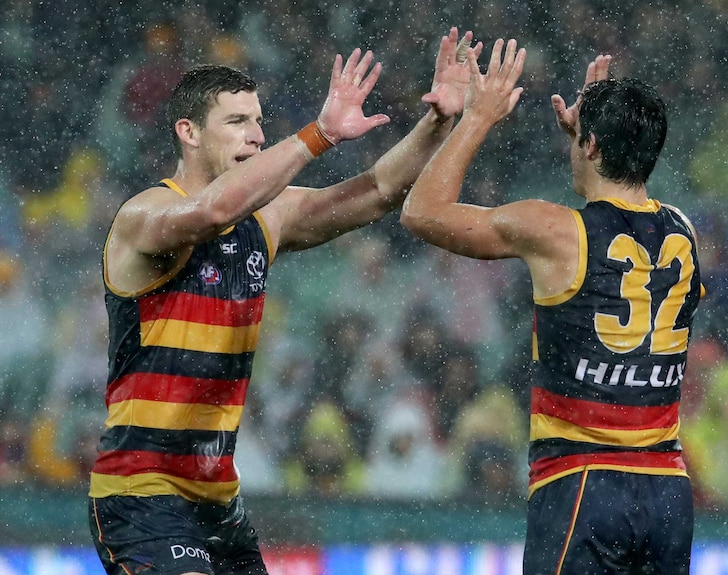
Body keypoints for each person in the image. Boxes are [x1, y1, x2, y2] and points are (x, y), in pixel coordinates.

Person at [87, 27, 480, 575]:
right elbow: (209, 214)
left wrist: (438, 122)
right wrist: (318, 133)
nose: (255, 134)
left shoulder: (267, 217)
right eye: (236, 121)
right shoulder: (144, 215)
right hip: (141, 493)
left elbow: (378, 193)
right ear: (189, 133)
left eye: (258, 120)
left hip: (218, 501)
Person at [401, 40, 704, 574]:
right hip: (667, 490)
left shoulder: (555, 230)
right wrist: (597, 140)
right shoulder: (684, 228)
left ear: (588, 145)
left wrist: (478, 117)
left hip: (582, 484)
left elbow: (422, 212)